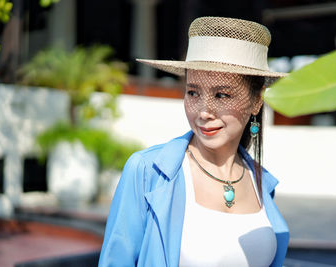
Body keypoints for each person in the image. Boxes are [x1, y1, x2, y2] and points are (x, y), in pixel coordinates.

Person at [99, 16, 289, 267]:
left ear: (256, 101)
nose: (203, 111)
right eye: (193, 92)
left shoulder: (261, 181)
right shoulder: (146, 172)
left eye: (222, 94)